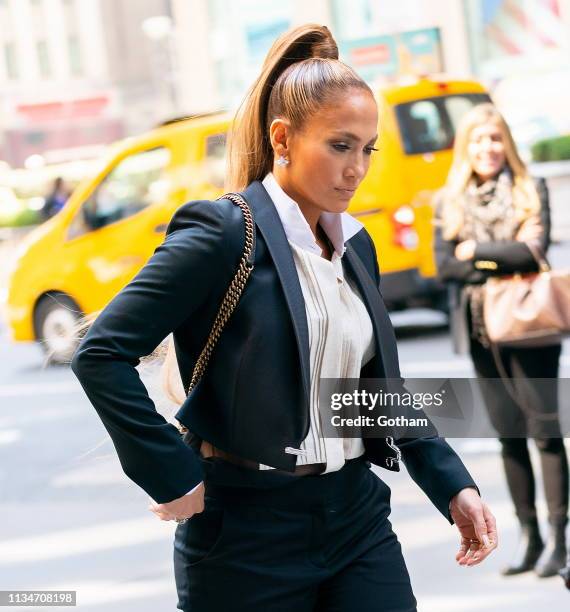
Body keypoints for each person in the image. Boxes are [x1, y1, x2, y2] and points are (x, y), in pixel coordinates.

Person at [71, 25, 497, 612]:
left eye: (367, 149)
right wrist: (171, 472)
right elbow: (100, 352)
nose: (357, 169)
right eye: (340, 145)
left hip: (356, 518)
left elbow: (374, 390)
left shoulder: (356, 244)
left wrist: (450, 482)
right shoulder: (223, 233)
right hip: (245, 535)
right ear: (283, 139)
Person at [434, 102, 568, 579]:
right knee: (509, 435)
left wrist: (475, 251)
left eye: (494, 139)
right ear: (464, 148)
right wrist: (502, 259)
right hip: (479, 331)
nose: (486, 149)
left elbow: (533, 250)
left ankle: (560, 540)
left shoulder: (531, 190)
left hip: (531, 328)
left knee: (546, 432)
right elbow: (445, 266)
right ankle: (528, 537)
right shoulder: (449, 200)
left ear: (506, 143)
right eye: (477, 141)